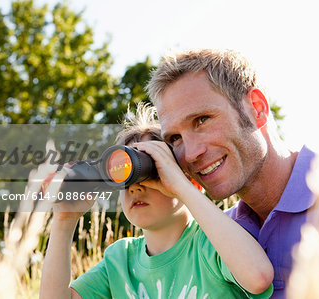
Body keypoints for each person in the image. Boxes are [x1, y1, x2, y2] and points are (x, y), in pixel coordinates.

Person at [145, 49, 319, 299]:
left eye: (202, 120)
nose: (191, 153)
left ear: (257, 109)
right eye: (175, 138)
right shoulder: (214, 242)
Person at [39, 104, 274, 299]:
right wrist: (65, 219)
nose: (137, 186)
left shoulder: (214, 242)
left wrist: (181, 188)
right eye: (125, 179)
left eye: (152, 174)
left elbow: (258, 278)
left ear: (191, 182)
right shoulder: (120, 261)